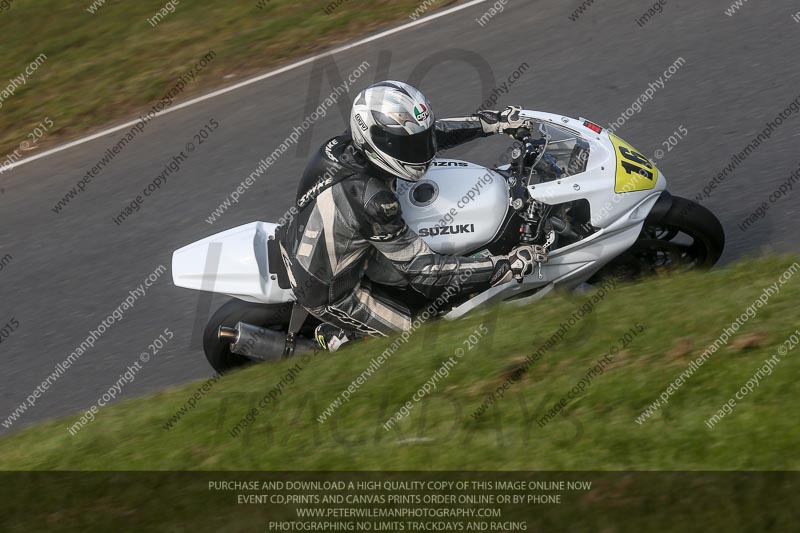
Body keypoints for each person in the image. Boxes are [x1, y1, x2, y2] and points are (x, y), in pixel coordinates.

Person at [279, 80, 541, 351]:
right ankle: (336, 336)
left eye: (419, 142)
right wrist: (504, 267)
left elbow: (430, 134)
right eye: (409, 146)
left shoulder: (346, 144)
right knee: (426, 333)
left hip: (333, 243)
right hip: (331, 291)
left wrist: (491, 123)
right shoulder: (373, 201)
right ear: (377, 141)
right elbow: (426, 272)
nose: (422, 152)